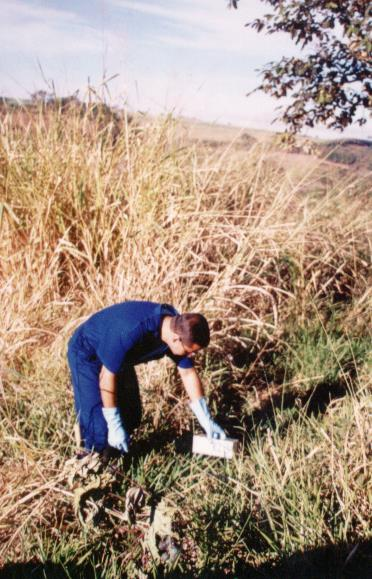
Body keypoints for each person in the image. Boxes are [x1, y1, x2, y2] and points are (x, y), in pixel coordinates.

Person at [67, 301, 226, 454]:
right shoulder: (131, 331)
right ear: (176, 339)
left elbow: (188, 372)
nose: (191, 355)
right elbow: (106, 377)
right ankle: (90, 464)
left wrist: (206, 419)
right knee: (99, 429)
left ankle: (116, 457)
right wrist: (114, 424)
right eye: (189, 351)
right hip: (87, 354)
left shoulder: (176, 328)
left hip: (118, 357)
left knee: (131, 416)